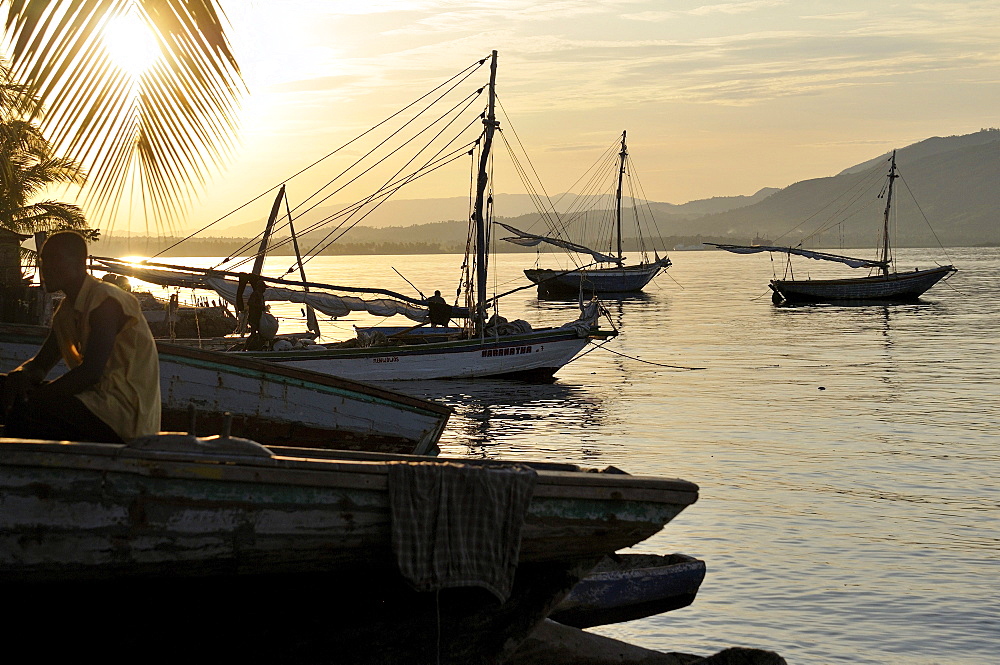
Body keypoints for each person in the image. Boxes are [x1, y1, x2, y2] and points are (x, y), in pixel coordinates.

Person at [0, 231, 160, 443]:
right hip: (93, 403)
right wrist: (19, 375)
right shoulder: (66, 312)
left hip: (122, 416)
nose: (45, 268)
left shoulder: (106, 300)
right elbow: (40, 364)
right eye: (43, 260)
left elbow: (90, 373)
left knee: (26, 410)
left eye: (54, 259)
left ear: (79, 263)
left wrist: (35, 398)